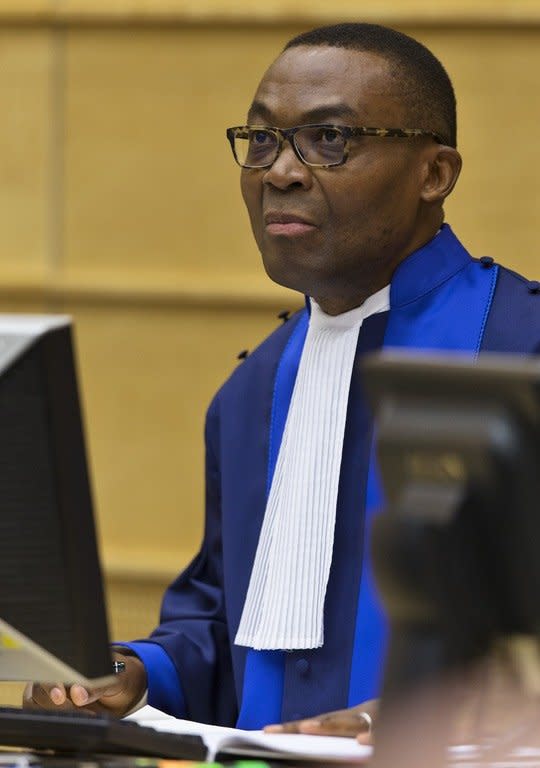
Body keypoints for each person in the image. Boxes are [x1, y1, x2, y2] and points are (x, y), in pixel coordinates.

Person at [24, 22, 540, 742]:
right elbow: (223, 623)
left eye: (330, 140)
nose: (280, 172)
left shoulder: (523, 350)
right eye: (262, 140)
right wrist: (135, 673)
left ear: (435, 174)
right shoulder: (251, 392)